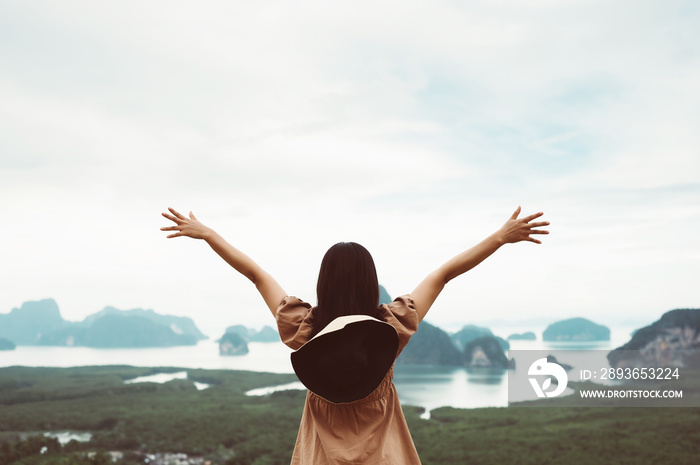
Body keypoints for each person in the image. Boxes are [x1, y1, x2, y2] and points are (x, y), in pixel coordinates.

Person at [161, 206, 549, 464]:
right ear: (371, 284)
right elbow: (443, 275)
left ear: (323, 283)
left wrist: (210, 235)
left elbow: (256, 275)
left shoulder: (304, 330)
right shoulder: (390, 330)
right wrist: (500, 237)